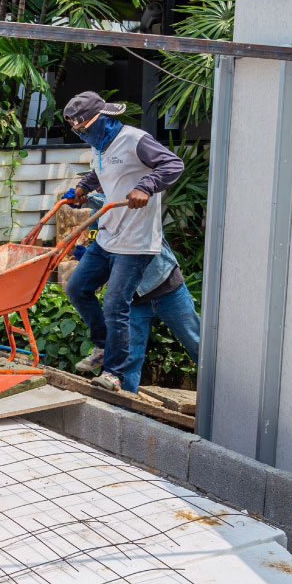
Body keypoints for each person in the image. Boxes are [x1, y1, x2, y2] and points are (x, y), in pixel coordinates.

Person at [58, 91, 183, 393]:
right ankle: (103, 347)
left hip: (135, 241)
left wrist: (146, 186)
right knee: (77, 287)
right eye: (77, 132)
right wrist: (81, 188)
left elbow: (173, 164)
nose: (82, 135)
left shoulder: (134, 140)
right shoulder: (100, 145)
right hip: (108, 235)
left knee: (115, 303)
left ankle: (115, 373)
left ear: (101, 119)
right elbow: (101, 173)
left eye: (84, 129)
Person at [71, 191, 201, 394]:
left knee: (197, 342)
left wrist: (86, 197)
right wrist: (89, 254)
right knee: (128, 359)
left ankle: (223, 397)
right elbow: (103, 253)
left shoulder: (137, 199)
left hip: (167, 289)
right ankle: (124, 411)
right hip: (133, 300)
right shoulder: (98, 217)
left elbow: (115, 204)